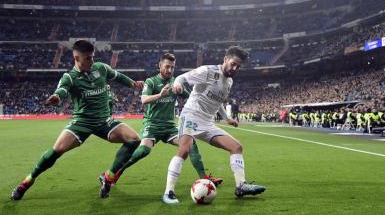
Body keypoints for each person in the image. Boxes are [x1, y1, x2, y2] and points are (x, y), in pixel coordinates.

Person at [10, 40, 144, 200]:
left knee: (134, 139)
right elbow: (62, 89)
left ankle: (108, 177)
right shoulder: (70, 77)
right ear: (76, 58)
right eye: (87, 58)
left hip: (104, 121)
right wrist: (56, 97)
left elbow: (117, 76)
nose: (91, 61)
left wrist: (133, 83)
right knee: (56, 151)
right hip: (82, 123)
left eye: (92, 57)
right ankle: (27, 181)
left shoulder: (101, 68)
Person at [99, 53, 222, 198]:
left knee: (190, 143)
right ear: (160, 65)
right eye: (167, 66)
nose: (170, 70)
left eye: (172, 67)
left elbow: (191, 98)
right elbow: (144, 100)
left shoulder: (176, 82)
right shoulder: (151, 82)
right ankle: (116, 173)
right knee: (144, 151)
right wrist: (160, 95)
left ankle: (204, 178)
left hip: (169, 127)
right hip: (152, 124)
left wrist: (190, 94)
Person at [162, 46, 266, 204]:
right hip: (191, 116)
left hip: (208, 123)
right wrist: (177, 84)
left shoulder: (229, 81)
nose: (235, 68)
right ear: (225, 59)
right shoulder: (208, 71)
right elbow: (182, 78)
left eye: (238, 66)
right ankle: (168, 192)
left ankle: (241, 186)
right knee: (184, 150)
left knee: (236, 147)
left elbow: (219, 102)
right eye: (233, 64)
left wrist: (227, 118)